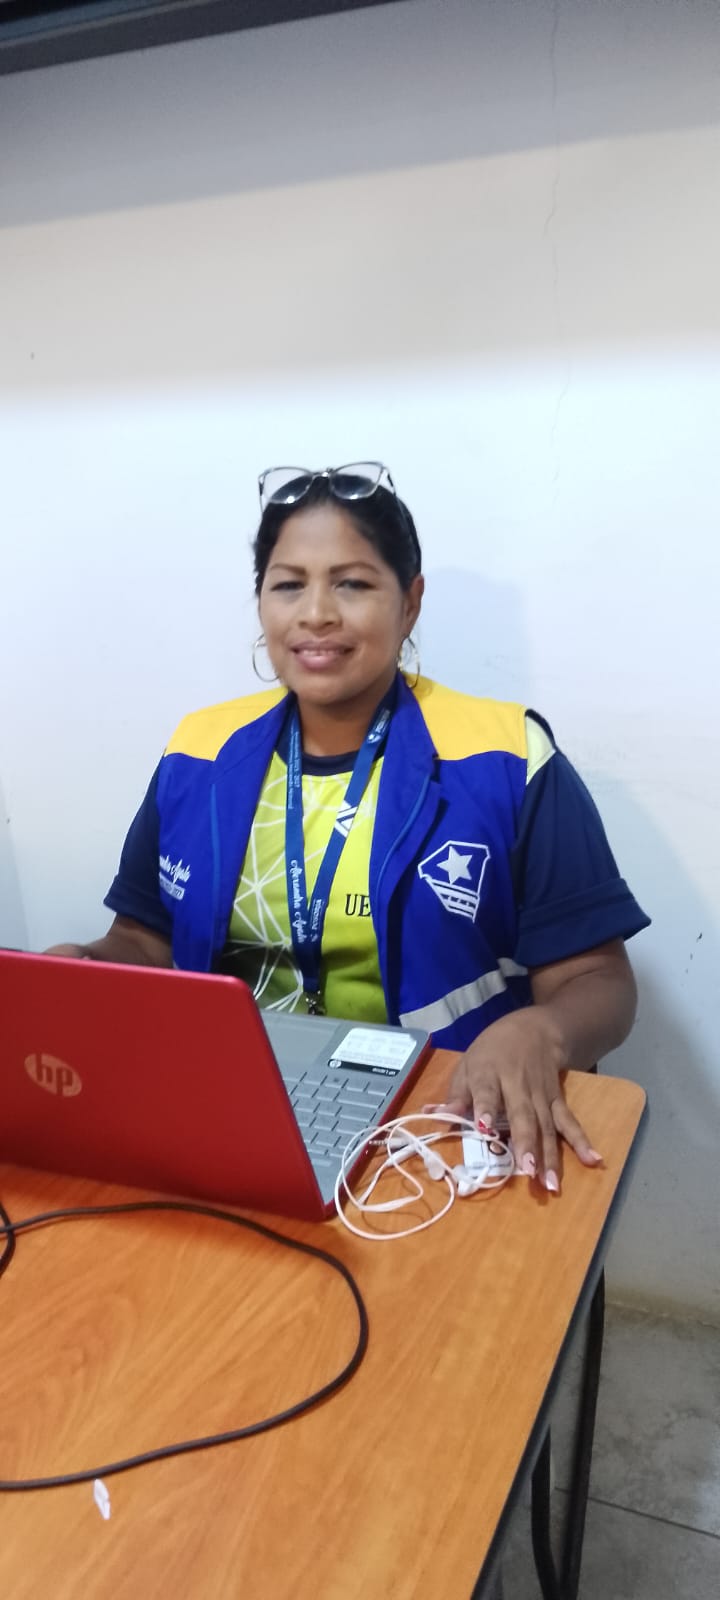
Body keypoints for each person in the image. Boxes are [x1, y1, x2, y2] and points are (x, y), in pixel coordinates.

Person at [49, 461, 649, 1192]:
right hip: (230, 1109)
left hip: (443, 1119)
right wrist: (81, 969)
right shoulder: (199, 751)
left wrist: (541, 1031)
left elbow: (597, 979)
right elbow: (145, 940)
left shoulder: (506, 756)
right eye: (288, 584)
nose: (316, 614)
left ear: (410, 602)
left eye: (353, 584)